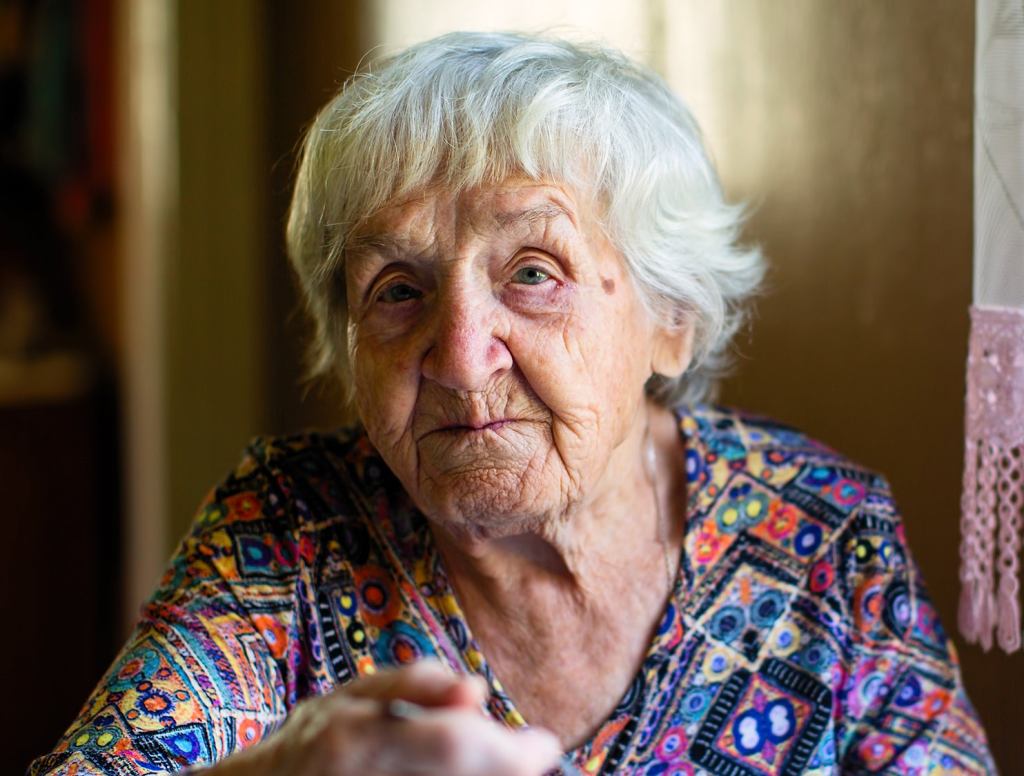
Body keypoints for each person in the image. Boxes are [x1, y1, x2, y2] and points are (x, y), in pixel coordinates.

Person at [30, 31, 994, 776]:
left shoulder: (825, 531)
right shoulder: (288, 527)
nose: (456, 354)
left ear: (672, 317)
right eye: (398, 290)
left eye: (533, 272)